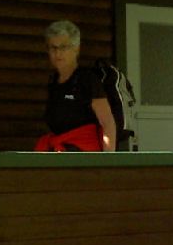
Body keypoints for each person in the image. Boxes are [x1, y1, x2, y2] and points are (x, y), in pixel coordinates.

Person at [34, 20, 119, 152]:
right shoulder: (53, 81)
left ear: (76, 49)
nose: (58, 53)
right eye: (53, 47)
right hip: (59, 152)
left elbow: (107, 122)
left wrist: (108, 160)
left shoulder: (87, 80)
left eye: (63, 47)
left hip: (84, 154)